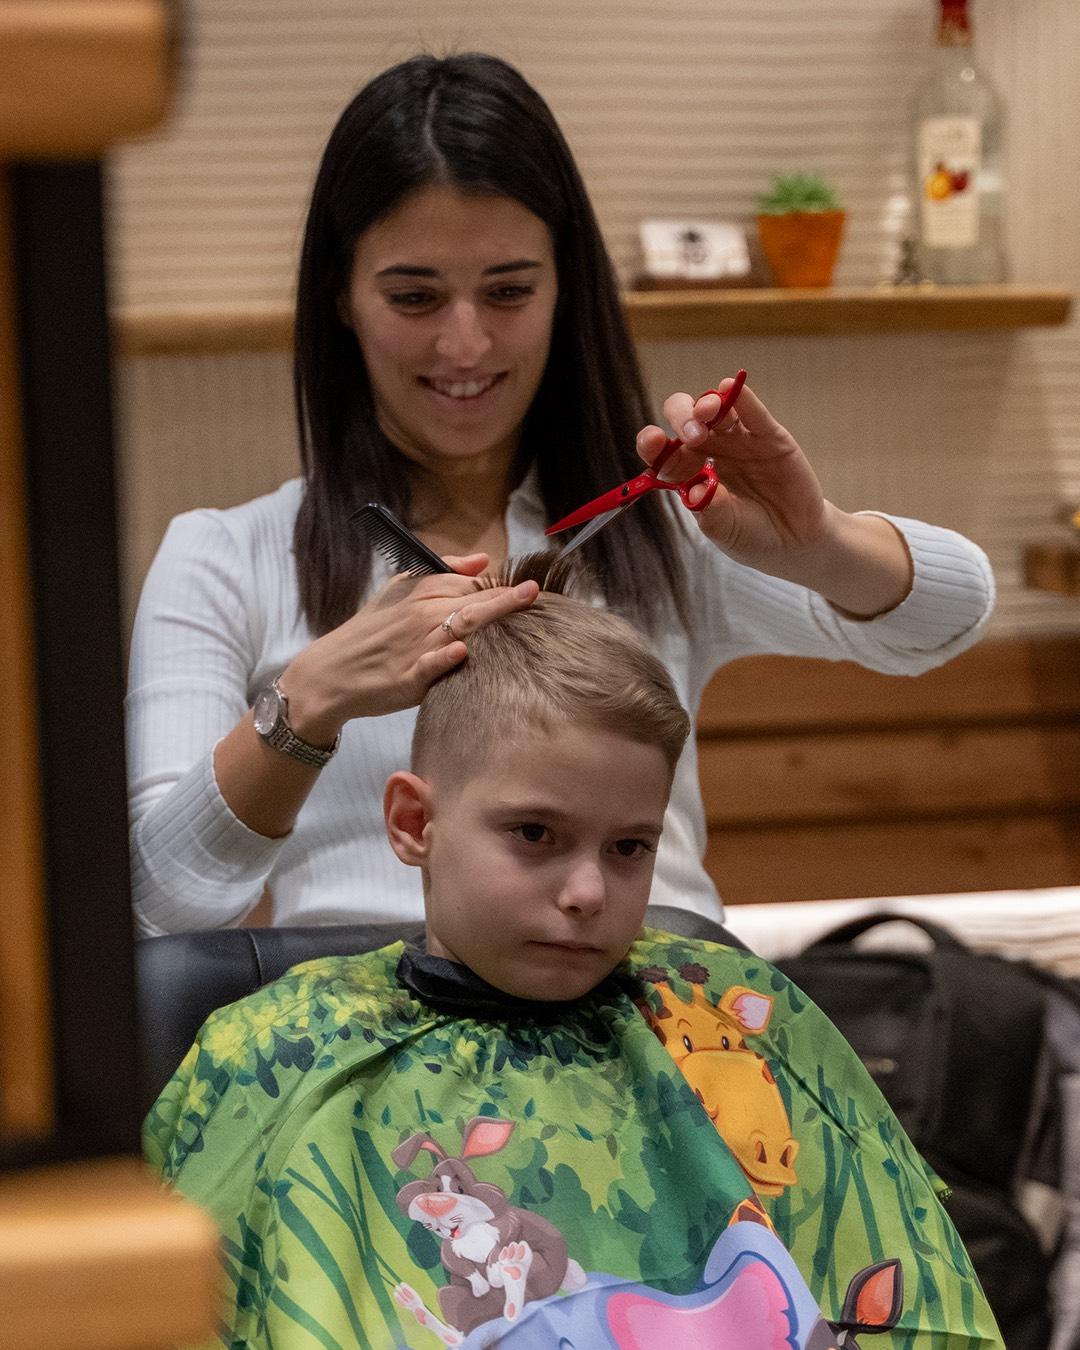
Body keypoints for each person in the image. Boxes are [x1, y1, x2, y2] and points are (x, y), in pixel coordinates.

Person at [125, 51, 995, 937]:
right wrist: (310, 701)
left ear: (564, 287)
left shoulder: (662, 533)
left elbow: (950, 614)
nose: (465, 346)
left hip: (656, 1031)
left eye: (508, 291)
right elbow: (168, 896)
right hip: (371, 1048)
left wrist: (817, 543)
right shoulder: (224, 557)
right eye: (414, 296)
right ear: (342, 299)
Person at [145, 560, 1003, 1349]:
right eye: (535, 834)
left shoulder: (734, 1021)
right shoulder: (280, 1056)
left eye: (629, 847)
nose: (588, 890)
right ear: (415, 823)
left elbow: (906, 1313)